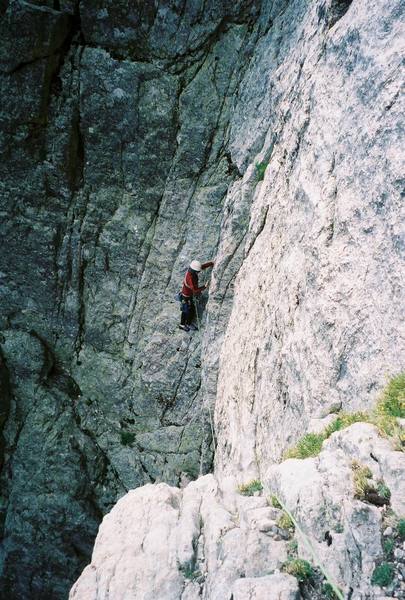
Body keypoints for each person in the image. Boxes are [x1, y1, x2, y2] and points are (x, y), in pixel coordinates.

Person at [179, 259, 214, 331]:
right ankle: (185, 324)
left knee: (186, 310)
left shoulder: (191, 270)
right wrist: (204, 287)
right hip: (186, 297)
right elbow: (195, 290)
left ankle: (183, 324)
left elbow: (201, 267)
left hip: (186, 295)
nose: (199, 272)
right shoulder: (190, 278)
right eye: (198, 271)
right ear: (194, 271)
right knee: (189, 310)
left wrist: (211, 263)